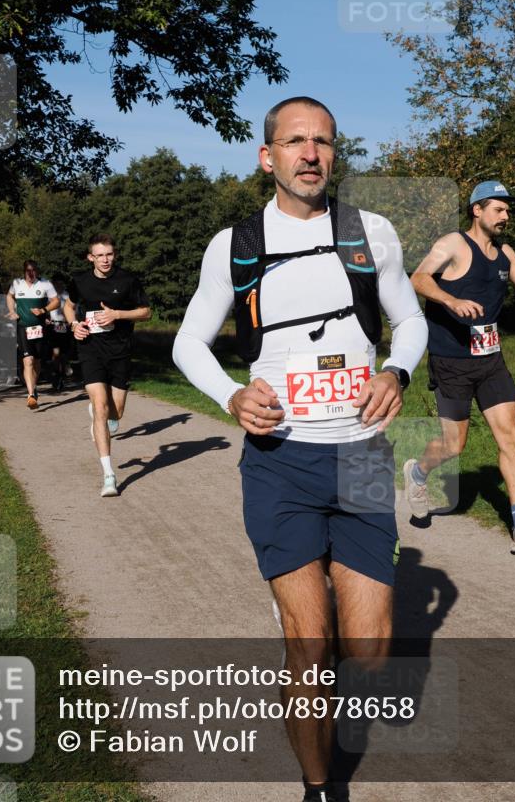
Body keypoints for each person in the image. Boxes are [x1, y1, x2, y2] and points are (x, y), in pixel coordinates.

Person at [173, 96, 427, 802]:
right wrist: (229, 395)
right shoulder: (235, 244)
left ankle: (311, 613)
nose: (310, 154)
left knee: (370, 655)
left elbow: (410, 321)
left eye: (322, 142)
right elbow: (188, 341)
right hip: (280, 461)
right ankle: (318, 788)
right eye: (294, 142)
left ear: (334, 155)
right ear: (268, 156)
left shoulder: (370, 233)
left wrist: (395, 371)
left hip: (362, 459)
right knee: (309, 649)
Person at [403, 180, 515, 553]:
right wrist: (451, 301)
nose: (506, 215)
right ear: (477, 210)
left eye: (508, 210)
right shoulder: (452, 244)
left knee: (510, 433)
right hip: (451, 361)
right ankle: (418, 472)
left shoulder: (506, 254)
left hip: (490, 360)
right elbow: (418, 278)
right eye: (499, 209)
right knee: (455, 445)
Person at [64, 234, 151, 497]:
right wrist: (74, 325)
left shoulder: (127, 280)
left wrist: (117, 314)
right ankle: (109, 475)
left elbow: (146, 312)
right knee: (101, 408)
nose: (105, 259)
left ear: (114, 255)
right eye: (99, 255)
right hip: (90, 349)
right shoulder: (79, 280)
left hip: (120, 351)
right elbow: (69, 306)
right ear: (90, 257)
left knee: (117, 412)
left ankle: (103, 414)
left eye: (109, 254)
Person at [6, 261, 59, 409]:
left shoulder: (45, 284)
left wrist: (43, 310)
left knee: (37, 361)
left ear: (37, 271)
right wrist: (12, 311)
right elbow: (9, 297)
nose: (31, 273)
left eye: (34, 270)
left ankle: (33, 386)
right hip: (23, 327)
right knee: (27, 360)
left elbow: (56, 302)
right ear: (24, 272)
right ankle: (30, 395)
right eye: (28, 271)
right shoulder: (17, 283)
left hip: (40, 328)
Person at [47, 275, 71, 392]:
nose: (58, 285)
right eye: (56, 283)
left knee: (64, 353)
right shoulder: (50, 296)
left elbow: (73, 309)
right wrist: (45, 318)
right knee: (56, 353)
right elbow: (44, 308)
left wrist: (70, 321)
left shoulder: (67, 295)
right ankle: (56, 377)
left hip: (65, 325)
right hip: (53, 326)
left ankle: (63, 371)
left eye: (60, 283)